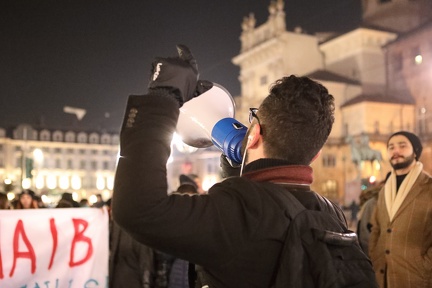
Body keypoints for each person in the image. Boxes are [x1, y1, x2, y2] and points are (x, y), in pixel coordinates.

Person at [113, 45, 346, 287]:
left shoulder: (234, 213)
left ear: (254, 133)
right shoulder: (332, 214)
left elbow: (137, 210)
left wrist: (163, 96)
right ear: (316, 154)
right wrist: (240, 163)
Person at [369, 131, 432, 288]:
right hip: (383, 277)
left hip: (417, 277)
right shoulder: (384, 190)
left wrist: (427, 266)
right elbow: (376, 228)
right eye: (391, 147)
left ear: (415, 152)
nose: (395, 151)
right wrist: (375, 256)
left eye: (402, 146)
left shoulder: (429, 187)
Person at [107, 198, 155, 288]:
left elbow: (145, 263)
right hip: (118, 281)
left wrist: (146, 284)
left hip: (132, 281)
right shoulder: (114, 228)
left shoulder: (139, 229)